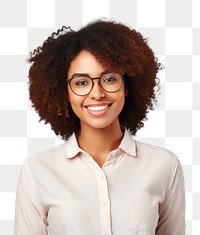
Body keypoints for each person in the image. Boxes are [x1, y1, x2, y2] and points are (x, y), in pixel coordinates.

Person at [15, 20, 185, 235]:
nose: (97, 93)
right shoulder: (37, 170)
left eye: (109, 79)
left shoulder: (164, 165)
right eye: (81, 82)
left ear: (127, 86)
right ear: (65, 93)